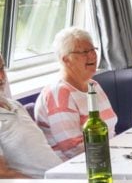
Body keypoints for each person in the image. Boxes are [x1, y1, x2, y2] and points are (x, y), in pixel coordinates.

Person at [34, 27, 117, 161]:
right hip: (77, 169)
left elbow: (111, 132)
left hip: (104, 157)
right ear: (66, 59)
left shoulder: (93, 85)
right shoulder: (59, 93)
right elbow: (74, 148)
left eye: (92, 50)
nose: (93, 55)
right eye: (85, 52)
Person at [0, 55, 61, 177]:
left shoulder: (14, 104)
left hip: (61, 176)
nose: (1, 77)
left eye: (2, 68)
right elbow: (3, 173)